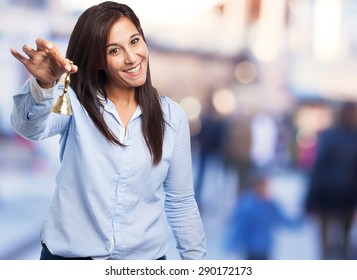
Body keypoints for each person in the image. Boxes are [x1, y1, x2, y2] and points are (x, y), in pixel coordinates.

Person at [10, 1, 205, 260]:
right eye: (115, 50)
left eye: (135, 41)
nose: (132, 58)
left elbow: (181, 202)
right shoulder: (73, 101)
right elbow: (29, 128)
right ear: (98, 60)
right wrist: (44, 84)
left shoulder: (171, 117)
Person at [305, 101, 357, 259]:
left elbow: (318, 167)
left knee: (325, 239)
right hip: (348, 194)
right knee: (344, 237)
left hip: (327, 193)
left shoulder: (330, 135)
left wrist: (309, 197)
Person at [224, 170, 301, 260]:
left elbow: (284, 219)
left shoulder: (270, 205)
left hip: (265, 248)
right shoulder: (247, 205)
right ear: (256, 187)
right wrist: (232, 244)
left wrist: (299, 220)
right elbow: (239, 227)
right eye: (264, 186)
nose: (266, 189)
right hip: (251, 250)